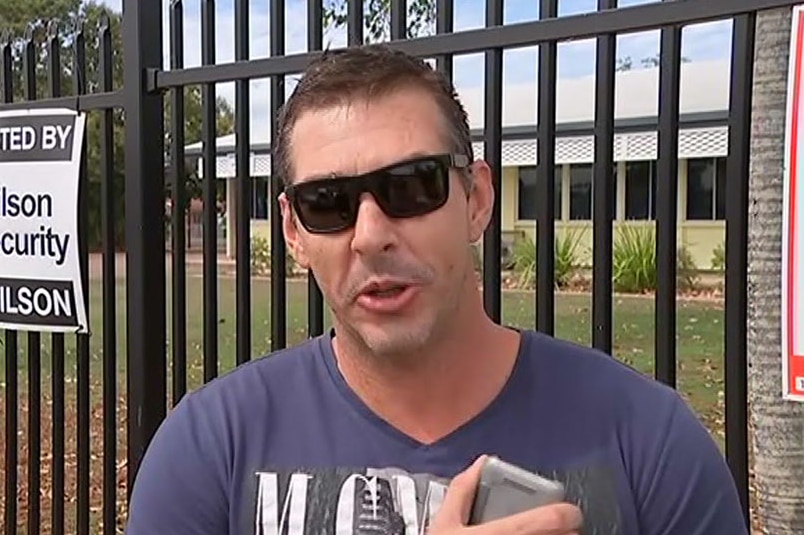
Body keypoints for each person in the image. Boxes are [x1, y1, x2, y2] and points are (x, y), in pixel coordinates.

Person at [125, 44, 748, 535]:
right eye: (329, 203)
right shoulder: (210, 451)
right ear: (293, 229)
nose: (370, 235)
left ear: (476, 199)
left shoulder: (648, 441)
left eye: (411, 186)